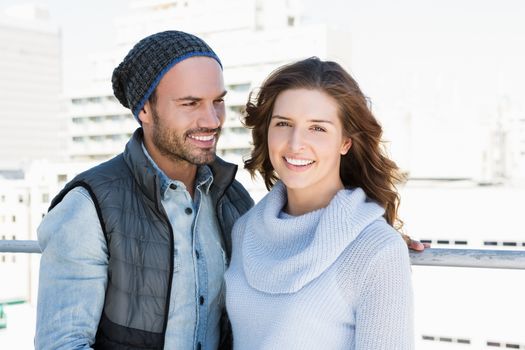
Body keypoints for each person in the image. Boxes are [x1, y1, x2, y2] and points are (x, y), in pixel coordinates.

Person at [35, 30, 253, 350]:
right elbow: (62, 344)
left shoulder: (234, 198)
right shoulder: (88, 206)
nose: (212, 119)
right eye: (190, 103)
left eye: (217, 101)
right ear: (145, 110)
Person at [224, 57, 414, 349]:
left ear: (345, 142)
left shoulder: (377, 248)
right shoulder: (245, 229)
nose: (295, 142)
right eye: (284, 123)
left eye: (318, 128)